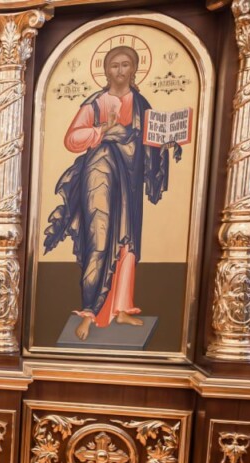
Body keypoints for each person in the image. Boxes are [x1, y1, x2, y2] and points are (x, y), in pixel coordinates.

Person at [44, 45, 181, 341]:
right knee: (99, 236)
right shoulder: (96, 103)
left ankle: (121, 308)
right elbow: (72, 138)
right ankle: (89, 313)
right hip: (101, 175)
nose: (120, 71)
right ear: (106, 71)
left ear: (134, 69)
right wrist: (102, 131)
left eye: (125, 65)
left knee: (127, 242)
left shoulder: (142, 104)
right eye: (114, 65)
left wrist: (165, 144)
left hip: (129, 181)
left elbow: (149, 144)